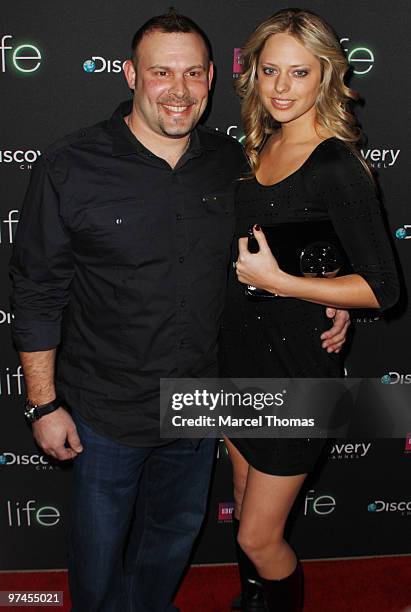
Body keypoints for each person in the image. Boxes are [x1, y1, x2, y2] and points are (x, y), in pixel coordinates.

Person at [10, 9, 349, 612]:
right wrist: (43, 402)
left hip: (198, 401)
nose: (179, 90)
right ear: (129, 76)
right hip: (104, 407)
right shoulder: (70, 166)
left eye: (193, 73)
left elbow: (282, 251)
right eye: (162, 72)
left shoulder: (233, 163)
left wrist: (326, 297)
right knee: (97, 556)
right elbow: (37, 290)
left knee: (170, 542)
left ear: (213, 77)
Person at [219, 8, 399, 612]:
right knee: (243, 511)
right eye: (270, 70)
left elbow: (383, 289)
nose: (281, 87)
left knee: (256, 534)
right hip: (238, 359)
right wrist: (318, 284)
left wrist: (285, 283)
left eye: (299, 72)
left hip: (299, 373)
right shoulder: (261, 144)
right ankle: (254, 601)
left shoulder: (338, 165)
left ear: (326, 74)